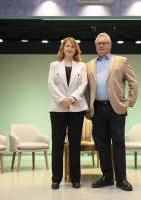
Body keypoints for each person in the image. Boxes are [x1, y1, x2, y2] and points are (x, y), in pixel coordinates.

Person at [85, 33, 138, 191]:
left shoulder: (121, 61)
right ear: (95, 46)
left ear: (110, 45)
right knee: (102, 145)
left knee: (118, 144)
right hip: (97, 109)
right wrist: (88, 109)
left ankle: (121, 179)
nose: (101, 45)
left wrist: (130, 102)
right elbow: (86, 90)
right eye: (98, 43)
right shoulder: (88, 65)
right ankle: (107, 177)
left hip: (116, 109)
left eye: (104, 43)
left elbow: (133, 82)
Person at [48, 37, 88, 189]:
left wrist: (71, 98)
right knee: (58, 144)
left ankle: (75, 178)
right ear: (62, 49)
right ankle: (56, 179)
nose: (70, 48)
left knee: (74, 144)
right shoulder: (54, 65)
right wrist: (62, 99)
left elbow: (84, 84)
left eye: (72, 46)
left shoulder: (82, 66)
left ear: (76, 49)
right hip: (58, 108)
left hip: (76, 108)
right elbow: (51, 84)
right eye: (67, 46)